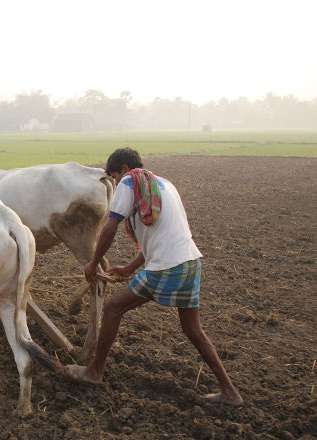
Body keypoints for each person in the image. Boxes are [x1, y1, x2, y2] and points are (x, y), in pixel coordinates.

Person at [66, 147, 243, 406]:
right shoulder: (165, 184)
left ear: (124, 169)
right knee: (193, 330)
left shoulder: (130, 182)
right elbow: (161, 237)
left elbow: (110, 226)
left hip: (166, 267)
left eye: (114, 176)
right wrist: (128, 268)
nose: (115, 182)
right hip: (190, 262)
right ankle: (230, 391)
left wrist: (93, 263)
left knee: (114, 309)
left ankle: (94, 371)